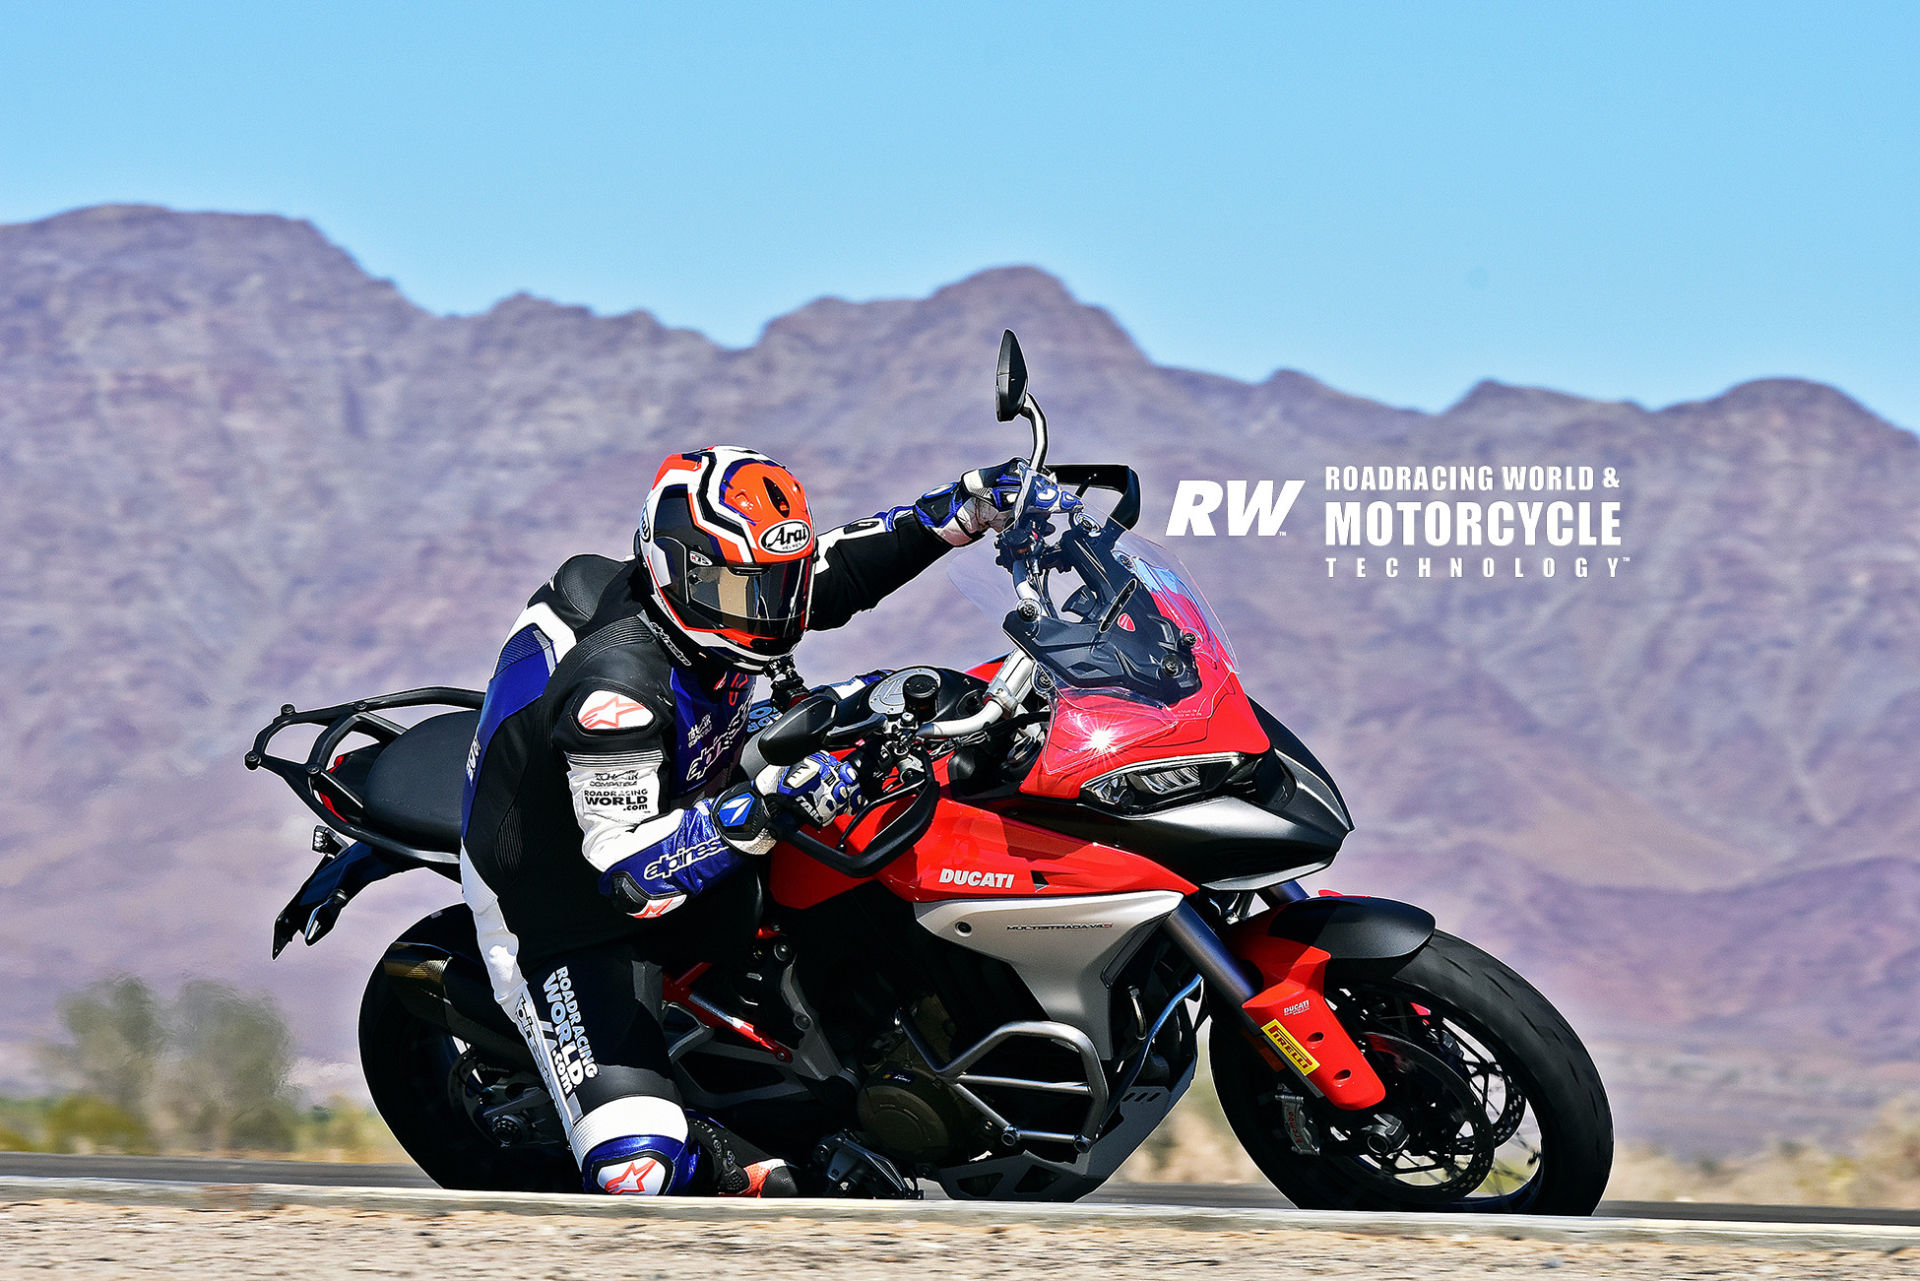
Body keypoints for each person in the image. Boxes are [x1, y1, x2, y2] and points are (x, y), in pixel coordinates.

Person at [457, 444, 1077, 1196]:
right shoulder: (614, 693)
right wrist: (764, 807)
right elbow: (625, 876)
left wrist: (962, 511)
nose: (773, 610)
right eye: (748, 588)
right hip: (567, 906)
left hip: (694, 786)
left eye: (777, 584)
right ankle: (742, 1155)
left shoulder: (723, 588)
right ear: (673, 569)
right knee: (637, 1171)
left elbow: (833, 571)